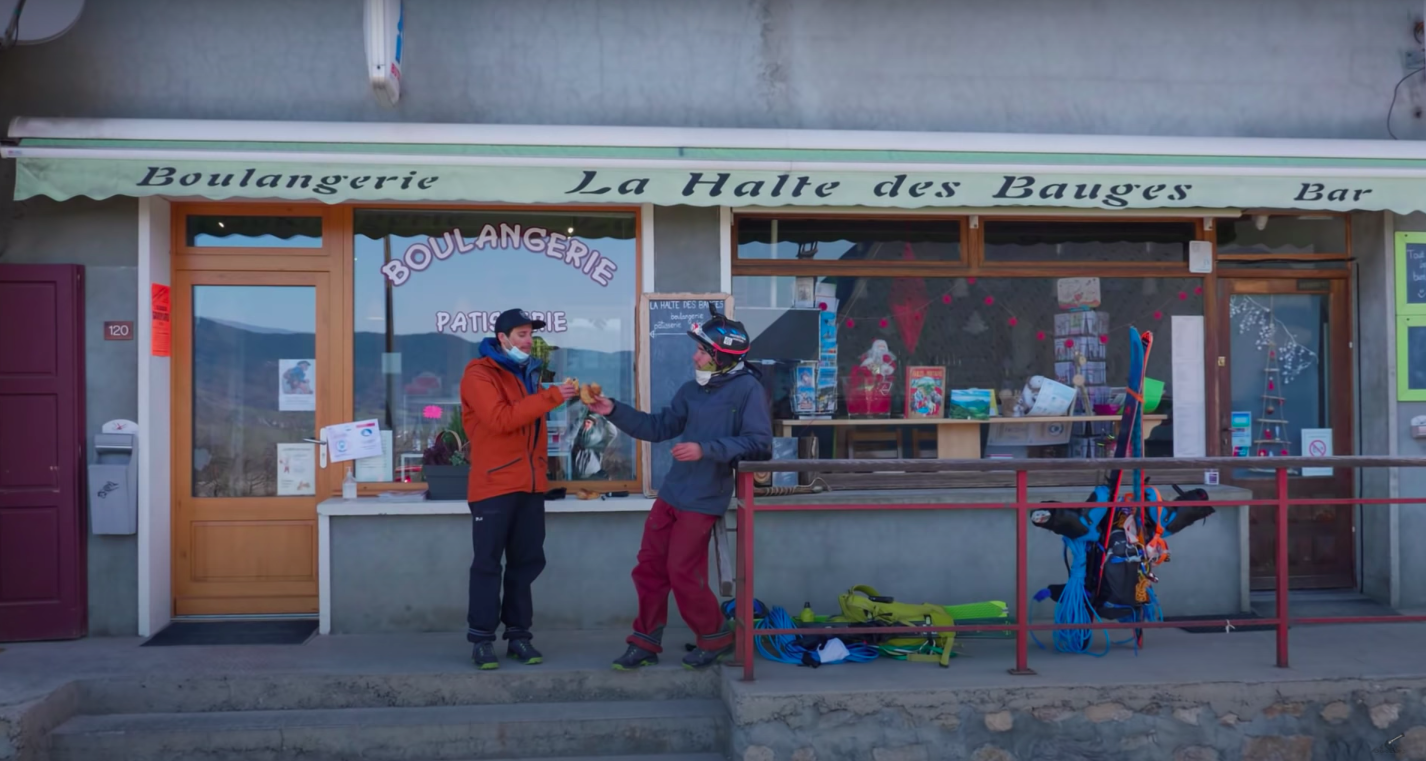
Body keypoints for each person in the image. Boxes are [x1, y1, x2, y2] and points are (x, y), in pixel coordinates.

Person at [587, 305, 772, 670]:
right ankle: (644, 642)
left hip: (705, 497)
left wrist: (706, 449)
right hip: (672, 493)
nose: (695, 355)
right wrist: (613, 410)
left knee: (682, 571)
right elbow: (658, 428)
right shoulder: (691, 390)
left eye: (702, 350)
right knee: (649, 568)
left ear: (720, 356)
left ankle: (715, 636)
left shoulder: (748, 389)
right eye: (698, 349)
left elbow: (759, 443)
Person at [460, 308, 578, 670]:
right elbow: (499, 419)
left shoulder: (528, 375)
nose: (528, 341)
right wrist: (551, 396)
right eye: (522, 334)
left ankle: (518, 636)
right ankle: (481, 640)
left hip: (530, 485)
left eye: (531, 335)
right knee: (487, 565)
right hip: (494, 484)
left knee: (525, 564)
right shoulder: (479, 374)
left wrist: (550, 395)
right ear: (503, 338)